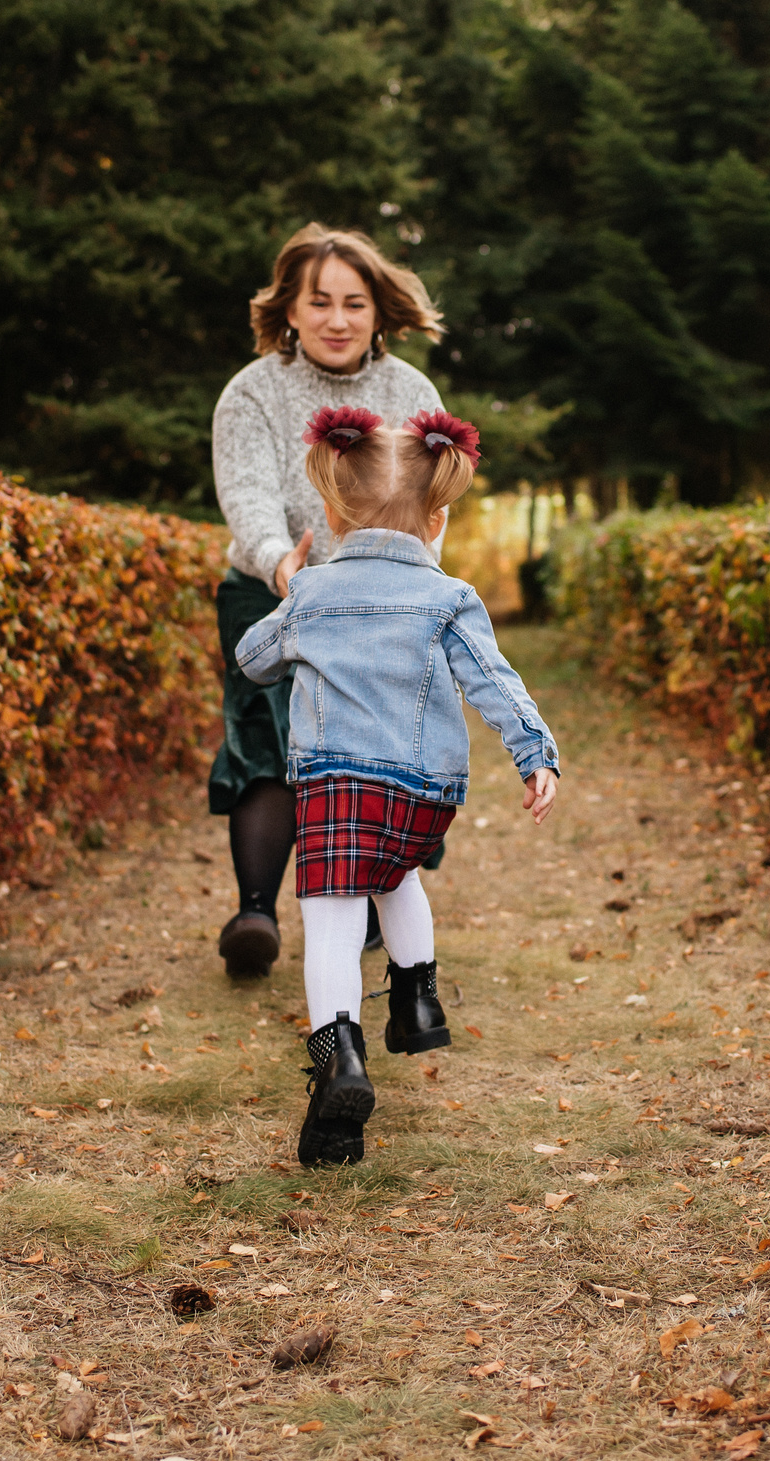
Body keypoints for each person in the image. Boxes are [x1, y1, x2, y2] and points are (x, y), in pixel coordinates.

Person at [234, 405, 560, 1167]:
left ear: (331, 508)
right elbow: (495, 683)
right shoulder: (448, 598)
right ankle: (417, 1000)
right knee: (399, 876)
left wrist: (290, 593)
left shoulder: (312, 593)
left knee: (333, 926)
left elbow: (253, 659)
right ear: (437, 517)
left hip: (335, 785)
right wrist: (534, 754)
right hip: (422, 795)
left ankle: (339, 1062)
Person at [208, 225, 449, 979]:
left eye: (354, 303)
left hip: (386, 601)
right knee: (266, 737)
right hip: (272, 588)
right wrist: (285, 566)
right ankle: (255, 910)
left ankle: (374, 897)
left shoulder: (411, 392)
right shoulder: (251, 392)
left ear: (379, 311)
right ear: (291, 308)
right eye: (320, 302)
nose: (337, 319)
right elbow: (245, 493)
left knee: (376, 752)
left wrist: (412, 581)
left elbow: (435, 496)